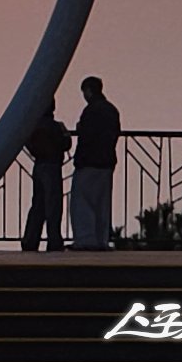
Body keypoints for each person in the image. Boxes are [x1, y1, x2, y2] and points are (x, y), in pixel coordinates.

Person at [69, 75, 120, 250]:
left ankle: (85, 239)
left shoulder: (91, 111)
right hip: (106, 162)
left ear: (88, 91)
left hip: (89, 162)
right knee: (102, 203)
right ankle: (101, 239)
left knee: (83, 201)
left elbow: (88, 136)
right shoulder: (111, 110)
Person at [20, 97, 70, 251]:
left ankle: (30, 240)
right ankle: (54, 241)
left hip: (39, 165)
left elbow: (28, 143)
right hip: (53, 166)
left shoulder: (33, 127)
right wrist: (66, 135)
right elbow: (66, 144)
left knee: (38, 205)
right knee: (53, 205)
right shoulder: (56, 127)